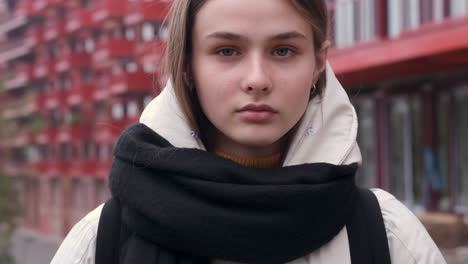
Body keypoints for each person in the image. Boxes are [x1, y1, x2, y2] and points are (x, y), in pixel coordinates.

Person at [51, 0, 447, 263]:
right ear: (187, 66)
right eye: (227, 51)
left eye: (283, 51)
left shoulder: (387, 234)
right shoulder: (101, 240)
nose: (257, 80)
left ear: (318, 64)